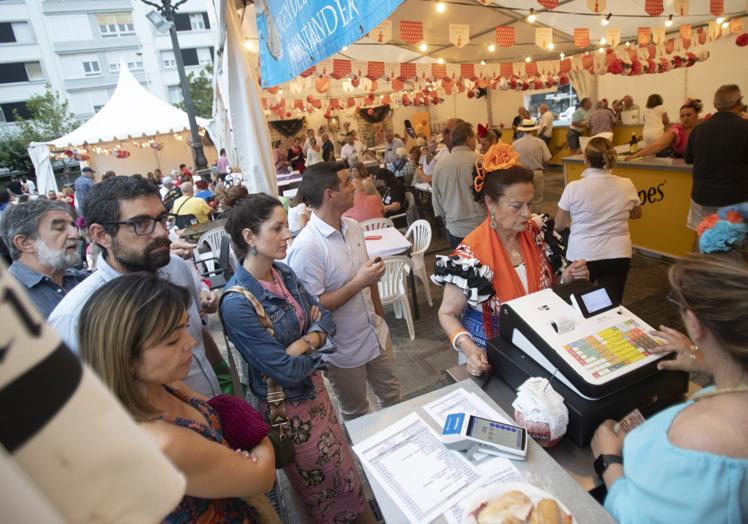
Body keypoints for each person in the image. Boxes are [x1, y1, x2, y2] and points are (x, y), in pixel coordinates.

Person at [220, 194, 376, 523]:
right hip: (288, 412)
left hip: (315, 395)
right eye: (276, 228)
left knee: (341, 478)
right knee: (326, 489)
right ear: (249, 237)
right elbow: (286, 370)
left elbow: (326, 320)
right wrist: (314, 338)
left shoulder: (283, 274)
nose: (287, 234)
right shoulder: (237, 302)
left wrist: (304, 342)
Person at [79, 274, 277, 522]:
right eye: (172, 341)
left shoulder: (163, 385)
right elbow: (262, 477)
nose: (191, 342)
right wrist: (259, 438)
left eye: (185, 327)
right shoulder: (163, 443)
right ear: (125, 358)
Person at [591, 253, 748, 524]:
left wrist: (608, 460)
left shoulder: (696, 440)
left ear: (695, 324)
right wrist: (708, 361)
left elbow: (636, 517)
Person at [48, 176, 222, 397]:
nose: (160, 232)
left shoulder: (176, 267)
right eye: (140, 224)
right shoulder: (75, 315)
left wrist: (224, 382)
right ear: (101, 235)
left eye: (161, 218)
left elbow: (198, 336)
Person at [432, 143, 588, 374]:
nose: (527, 213)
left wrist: (567, 277)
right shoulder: (470, 256)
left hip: (540, 339)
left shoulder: (536, 232)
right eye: (516, 206)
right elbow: (447, 313)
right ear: (490, 203)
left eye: (530, 204)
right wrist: (468, 348)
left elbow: (547, 288)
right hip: (490, 350)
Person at [287, 162, 401, 420]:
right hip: (343, 349)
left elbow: (368, 278)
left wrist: (381, 317)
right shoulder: (307, 247)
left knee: (393, 398)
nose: (354, 187)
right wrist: (358, 282)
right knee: (357, 413)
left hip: (375, 334)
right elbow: (312, 308)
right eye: (347, 182)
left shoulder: (352, 226)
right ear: (330, 194)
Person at [554, 138, 642, 303]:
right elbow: (637, 214)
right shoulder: (626, 184)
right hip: (618, 254)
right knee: (610, 305)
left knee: (577, 304)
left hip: (582, 255)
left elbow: (559, 225)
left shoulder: (574, 187)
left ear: (586, 159)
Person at [1, 200, 87, 317]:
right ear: (25, 243)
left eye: (73, 226)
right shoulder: (8, 298)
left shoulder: (81, 279)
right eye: (60, 228)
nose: (75, 234)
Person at [685, 84, 748, 231]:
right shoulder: (745, 128)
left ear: (715, 105)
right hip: (736, 198)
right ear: (739, 102)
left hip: (702, 196)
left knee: (702, 236)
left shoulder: (698, 130)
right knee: (737, 243)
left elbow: (688, 159)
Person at [432, 121, 486, 248]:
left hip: (454, 227)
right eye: (474, 139)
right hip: (481, 225)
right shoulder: (482, 160)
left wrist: (448, 220)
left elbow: (437, 202)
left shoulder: (439, 165)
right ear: (468, 139)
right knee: (485, 266)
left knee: (460, 266)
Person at [627, 98, 703, 160]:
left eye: (689, 115)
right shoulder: (676, 131)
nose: (685, 118)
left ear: (697, 114)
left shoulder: (704, 128)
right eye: (682, 116)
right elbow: (657, 145)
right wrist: (635, 155)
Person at [512, 119, 551, 205]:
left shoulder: (515, 144)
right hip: (537, 172)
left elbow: (512, 161)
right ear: (534, 129)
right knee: (538, 200)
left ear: (523, 129)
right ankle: (536, 217)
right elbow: (547, 159)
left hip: (521, 174)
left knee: (523, 200)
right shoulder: (540, 142)